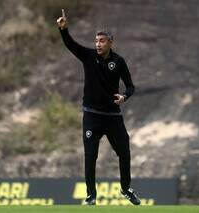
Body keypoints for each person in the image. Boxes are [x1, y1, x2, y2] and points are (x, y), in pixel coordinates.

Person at [57, 9, 141, 205]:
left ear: (110, 42)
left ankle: (126, 189)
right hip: (92, 116)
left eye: (102, 41)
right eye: (96, 41)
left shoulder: (119, 61)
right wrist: (63, 29)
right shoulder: (88, 56)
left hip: (113, 116)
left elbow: (130, 86)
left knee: (125, 152)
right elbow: (71, 45)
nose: (98, 44)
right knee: (91, 156)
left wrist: (125, 96)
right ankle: (91, 195)